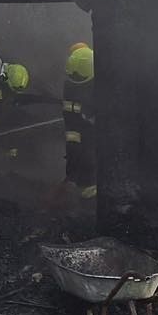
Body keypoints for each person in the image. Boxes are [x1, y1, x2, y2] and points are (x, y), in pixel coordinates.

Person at [63, 42, 96, 198]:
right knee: (80, 150)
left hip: (99, 130)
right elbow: (69, 116)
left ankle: (93, 186)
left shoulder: (104, 81)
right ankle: (84, 183)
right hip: (79, 126)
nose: (76, 78)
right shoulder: (70, 84)